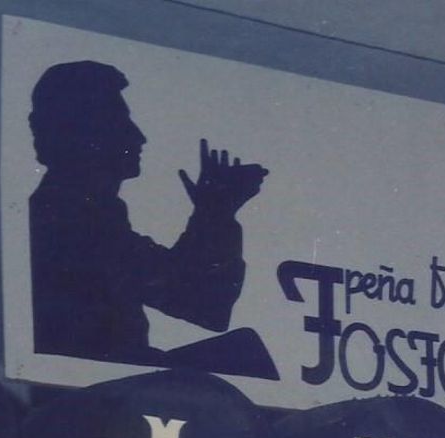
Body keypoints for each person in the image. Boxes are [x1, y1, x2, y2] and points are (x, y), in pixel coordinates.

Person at [27, 60, 277, 378]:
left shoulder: (87, 215)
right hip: (97, 397)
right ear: (83, 134)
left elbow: (201, 301)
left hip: (111, 390)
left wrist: (215, 213)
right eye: (120, 122)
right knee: (244, 355)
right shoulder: (68, 218)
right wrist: (215, 212)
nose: (139, 137)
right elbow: (197, 299)